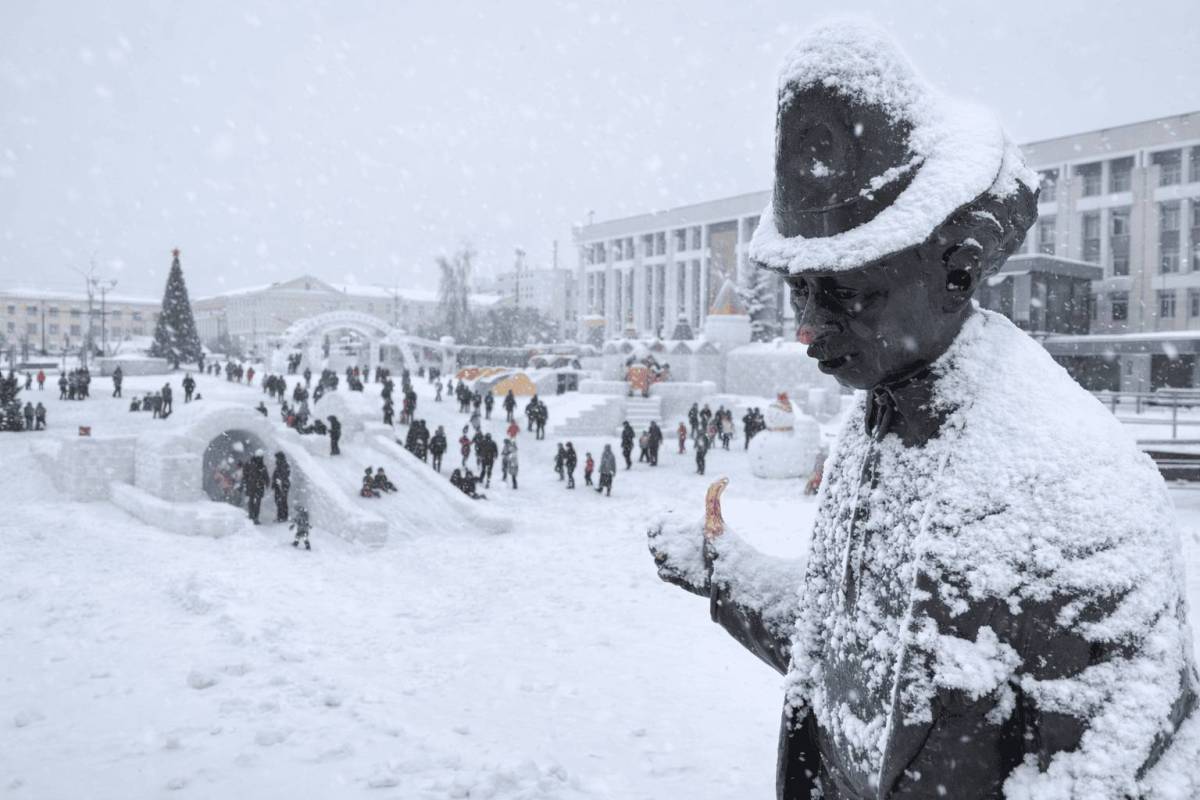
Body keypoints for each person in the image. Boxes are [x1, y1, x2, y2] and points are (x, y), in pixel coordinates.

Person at [647, 23, 1198, 800]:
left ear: (960, 266)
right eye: (801, 287)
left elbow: (1122, 780)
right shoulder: (877, 415)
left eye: (848, 288)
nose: (807, 324)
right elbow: (857, 657)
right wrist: (724, 574)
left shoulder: (1079, 497)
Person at [243, 450, 269, 525]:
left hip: (257, 487)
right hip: (252, 486)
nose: (260, 459)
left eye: (261, 458)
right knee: (252, 502)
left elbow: (266, 476)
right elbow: (245, 474)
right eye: (259, 457)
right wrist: (246, 482)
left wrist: (266, 482)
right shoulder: (249, 464)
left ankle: (255, 517)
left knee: (257, 503)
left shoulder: (262, 466)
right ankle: (252, 516)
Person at [271, 452, 290, 522]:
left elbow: (284, 475)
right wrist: (274, 483)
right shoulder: (279, 465)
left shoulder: (284, 465)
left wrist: (280, 482)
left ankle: (282, 517)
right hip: (280, 485)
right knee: (279, 501)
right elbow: (276, 475)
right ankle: (281, 516)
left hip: (282, 485)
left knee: (281, 501)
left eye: (277, 458)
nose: (276, 459)